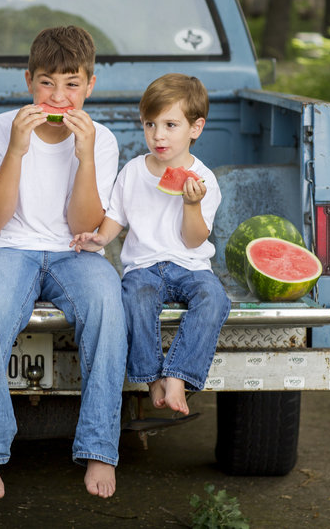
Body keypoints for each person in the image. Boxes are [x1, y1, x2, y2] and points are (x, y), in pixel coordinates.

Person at [0, 26, 127, 500]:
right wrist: (17, 147)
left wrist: (85, 156)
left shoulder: (102, 139)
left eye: (72, 84)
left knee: (106, 306)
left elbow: (84, 223)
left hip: (75, 248)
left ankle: (99, 447)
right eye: (47, 83)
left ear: (90, 86)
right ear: (28, 81)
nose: (59, 95)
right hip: (6, 246)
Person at [71, 73, 230, 416]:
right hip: (143, 267)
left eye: (171, 125)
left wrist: (191, 205)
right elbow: (116, 215)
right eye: (150, 124)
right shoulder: (132, 171)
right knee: (134, 299)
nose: (158, 135)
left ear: (195, 128)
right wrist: (100, 237)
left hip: (191, 267)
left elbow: (194, 239)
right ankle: (150, 377)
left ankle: (178, 376)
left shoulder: (204, 181)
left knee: (214, 298)